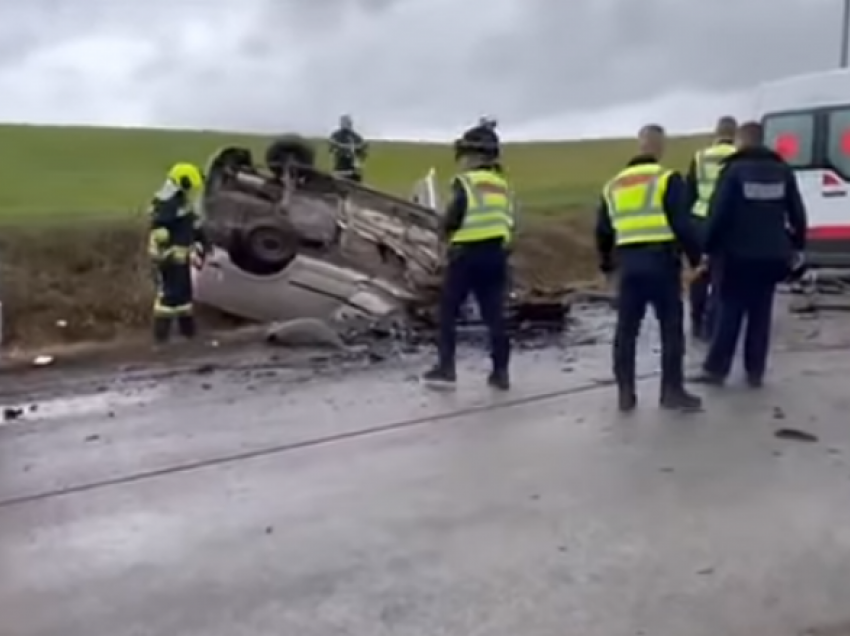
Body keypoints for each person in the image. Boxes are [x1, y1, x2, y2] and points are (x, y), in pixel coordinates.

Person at [596, 124, 703, 412]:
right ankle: (672, 391)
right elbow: (682, 224)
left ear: (639, 145)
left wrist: (607, 266)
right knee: (670, 328)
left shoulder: (613, 186)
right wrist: (696, 259)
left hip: (628, 265)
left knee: (626, 330)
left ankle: (625, 393)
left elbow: (603, 232)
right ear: (659, 147)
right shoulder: (667, 180)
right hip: (662, 263)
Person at [694, 121, 808, 387]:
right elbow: (797, 213)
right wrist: (796, 246)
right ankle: (754, 371)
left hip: (735, 256)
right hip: (772, 256)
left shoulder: (733, 171)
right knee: (761, 313)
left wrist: (707, 248)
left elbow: (718, 214)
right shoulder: (782, 170)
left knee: (729, 311)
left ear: (740, 141)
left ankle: (716, 369)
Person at [421, 128, 513, 390]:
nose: (461, 160)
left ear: (474, 155)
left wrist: (443, 232)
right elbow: (509, 220)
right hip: (495, 254)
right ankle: (500, 372)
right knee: (494, 315)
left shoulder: (466, 182)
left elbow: (454, 216)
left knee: (448, 312)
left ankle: (446, 369)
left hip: (466, 255)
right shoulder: (501, 184)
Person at [685, 115, 738, 341]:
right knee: (722, 274)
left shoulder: (700, 157)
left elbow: (690, 192)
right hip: (729, 222)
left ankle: (697, 321)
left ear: (716, 132)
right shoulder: (739, 157)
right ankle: (716, 323)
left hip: (700, 218)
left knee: (699, 273)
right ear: (734, 133)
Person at [148, 162, 208, 345]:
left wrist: (200, 240)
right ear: (183, 181)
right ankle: (161, 337)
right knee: (169, 297)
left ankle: (188, 333)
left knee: (184, 295)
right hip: (169, 256)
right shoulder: (167, 202)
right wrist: (166, 252)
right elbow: (159, 230)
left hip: (181, 255)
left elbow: (189, 223)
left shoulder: (179, 199)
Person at [328, 115, 368, 182]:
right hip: (340, 167)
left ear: (350, 123)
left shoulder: (356, 137)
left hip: (353, 169)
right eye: (343, 122)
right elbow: (331, 150)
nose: (344, 124)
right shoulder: (336, 135)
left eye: (347, 122)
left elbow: (362, 153)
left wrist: (359, 157)